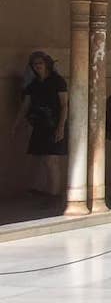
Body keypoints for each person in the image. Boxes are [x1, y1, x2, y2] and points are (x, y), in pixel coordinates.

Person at [10, 52, 68, 196]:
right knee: (40, 158)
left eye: (40, 63)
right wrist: (16, 125)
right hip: (40, 125)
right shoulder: (33, 84)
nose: (37, 67)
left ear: (47, 64)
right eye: (35, 64)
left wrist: (60, 127)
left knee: (51, 160)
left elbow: (64, 105)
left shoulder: (57, 81)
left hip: (55, 123)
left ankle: (54, 194)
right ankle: (42, 189)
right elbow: (25, 106)